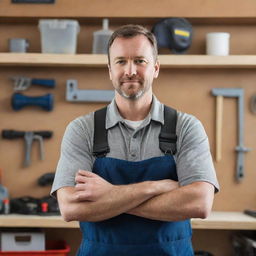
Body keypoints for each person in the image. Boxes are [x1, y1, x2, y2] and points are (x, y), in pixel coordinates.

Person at [51, 24, 219, 256]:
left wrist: (110, 196)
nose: (130, 71)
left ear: (156, 68)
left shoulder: (186, 127)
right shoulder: (83, 130)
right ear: (110, 70)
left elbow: (199, 204)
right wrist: (156, 187)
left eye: (140, 61)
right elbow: (70, 208)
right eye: (121, 61)